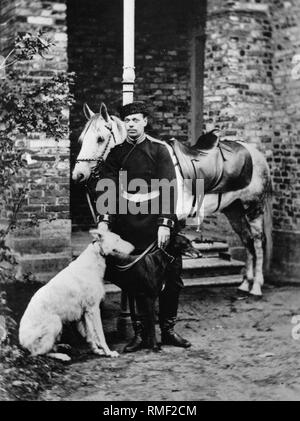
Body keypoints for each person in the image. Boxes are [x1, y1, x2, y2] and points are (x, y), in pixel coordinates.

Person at [97, 101, 191, 352]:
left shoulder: (159, 150)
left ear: (145, 122)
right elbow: (108, 189)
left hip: (157, 225)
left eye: (136, 120)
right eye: (127, 121)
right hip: (129, 226)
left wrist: (164, 224)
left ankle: (168, 331)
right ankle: (140, 334)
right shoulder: (116, 153)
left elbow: (170, 189)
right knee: (133, 281)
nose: (131, 125)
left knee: (172, 279)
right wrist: (105, 221)